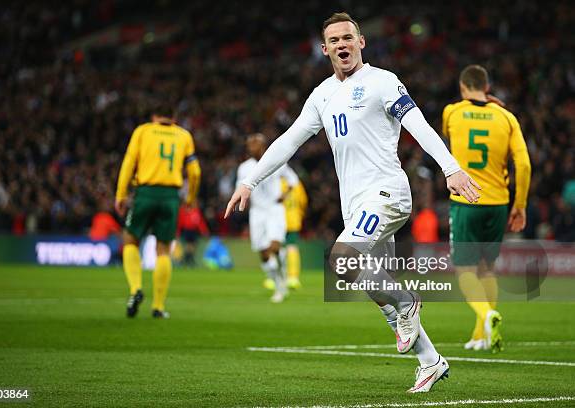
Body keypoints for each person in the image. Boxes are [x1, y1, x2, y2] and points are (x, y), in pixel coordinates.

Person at [226, 12, 481, 392]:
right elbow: (289, 141)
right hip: (356, 204)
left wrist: (450, 168)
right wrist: (250, 180)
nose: (342, 44)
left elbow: (419, 125)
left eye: (349, 37)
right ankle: (430, 360)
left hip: (387, 193)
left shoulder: (383, 82)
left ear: (361, 42)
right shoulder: (322, 95)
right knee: (382, 295)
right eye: (335, 40)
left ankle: (409, 299)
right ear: (325, 49)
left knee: (342, 260)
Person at [443, 65, 531, 352]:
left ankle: (486, 315)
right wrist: (520, 205)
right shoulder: (507, 117)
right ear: (488, 86)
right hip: (498, 203)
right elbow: (525, 164)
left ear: (462, 86)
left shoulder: (452, 112)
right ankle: (481, 333)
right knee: (487, 269)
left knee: (465, 270)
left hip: (466, 201)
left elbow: (449, 136)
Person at [115, 111, 201, 319]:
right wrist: (190, 197)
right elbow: (195, 172)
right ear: (174, 116)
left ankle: (136, 289)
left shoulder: (143, 131)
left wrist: (121, 194)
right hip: (170, 197)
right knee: (163, 250)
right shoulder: (183, 135)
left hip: (145, 193)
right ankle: (158, 307)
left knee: (130, 240)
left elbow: (128, 163)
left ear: (154, 115)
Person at [236, 133, 299, 303]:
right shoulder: (244, 167)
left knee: (274, 246)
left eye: (255, 144)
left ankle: (281, 284)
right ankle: (278, 281)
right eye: (250, 144)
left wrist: (284, 195)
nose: (251, 147)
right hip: (257, 212)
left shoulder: (277, 160)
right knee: (263, 253)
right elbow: (240, 188)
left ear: (263, 145)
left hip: (274, 209)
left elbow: (293, 180)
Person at [282, 177, 308, 289]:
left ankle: (275, 278)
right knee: (292, 247)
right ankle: (293, 278)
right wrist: (299, 214)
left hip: (278, 220)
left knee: (275, 248)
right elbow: (303, 201)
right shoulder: (296, 182)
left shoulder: (275, 181)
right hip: (293, 219)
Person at [176, 202, 210, 267]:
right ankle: (187, 259)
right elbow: (180, 223)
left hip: (193, 231)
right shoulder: (183, 212)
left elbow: (200, 223)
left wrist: (204, 231)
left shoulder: (196, 212)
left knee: (193, 246)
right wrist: (178, 233)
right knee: (189, 246)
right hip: (187, 231)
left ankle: (187, 259)